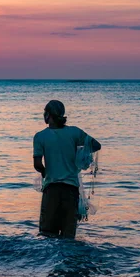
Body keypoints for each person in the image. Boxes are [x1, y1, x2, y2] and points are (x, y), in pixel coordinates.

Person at [33, 100, 101, 239]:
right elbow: (96, 145)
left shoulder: (40, 136)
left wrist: (45, 172)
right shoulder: (75, 133)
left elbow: (37, 164)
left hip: (51, 190)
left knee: (47, 235)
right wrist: (79, 155)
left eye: (45, 112)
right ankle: (68, 261)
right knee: (68, 237)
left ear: (49, 115)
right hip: (71, 192)